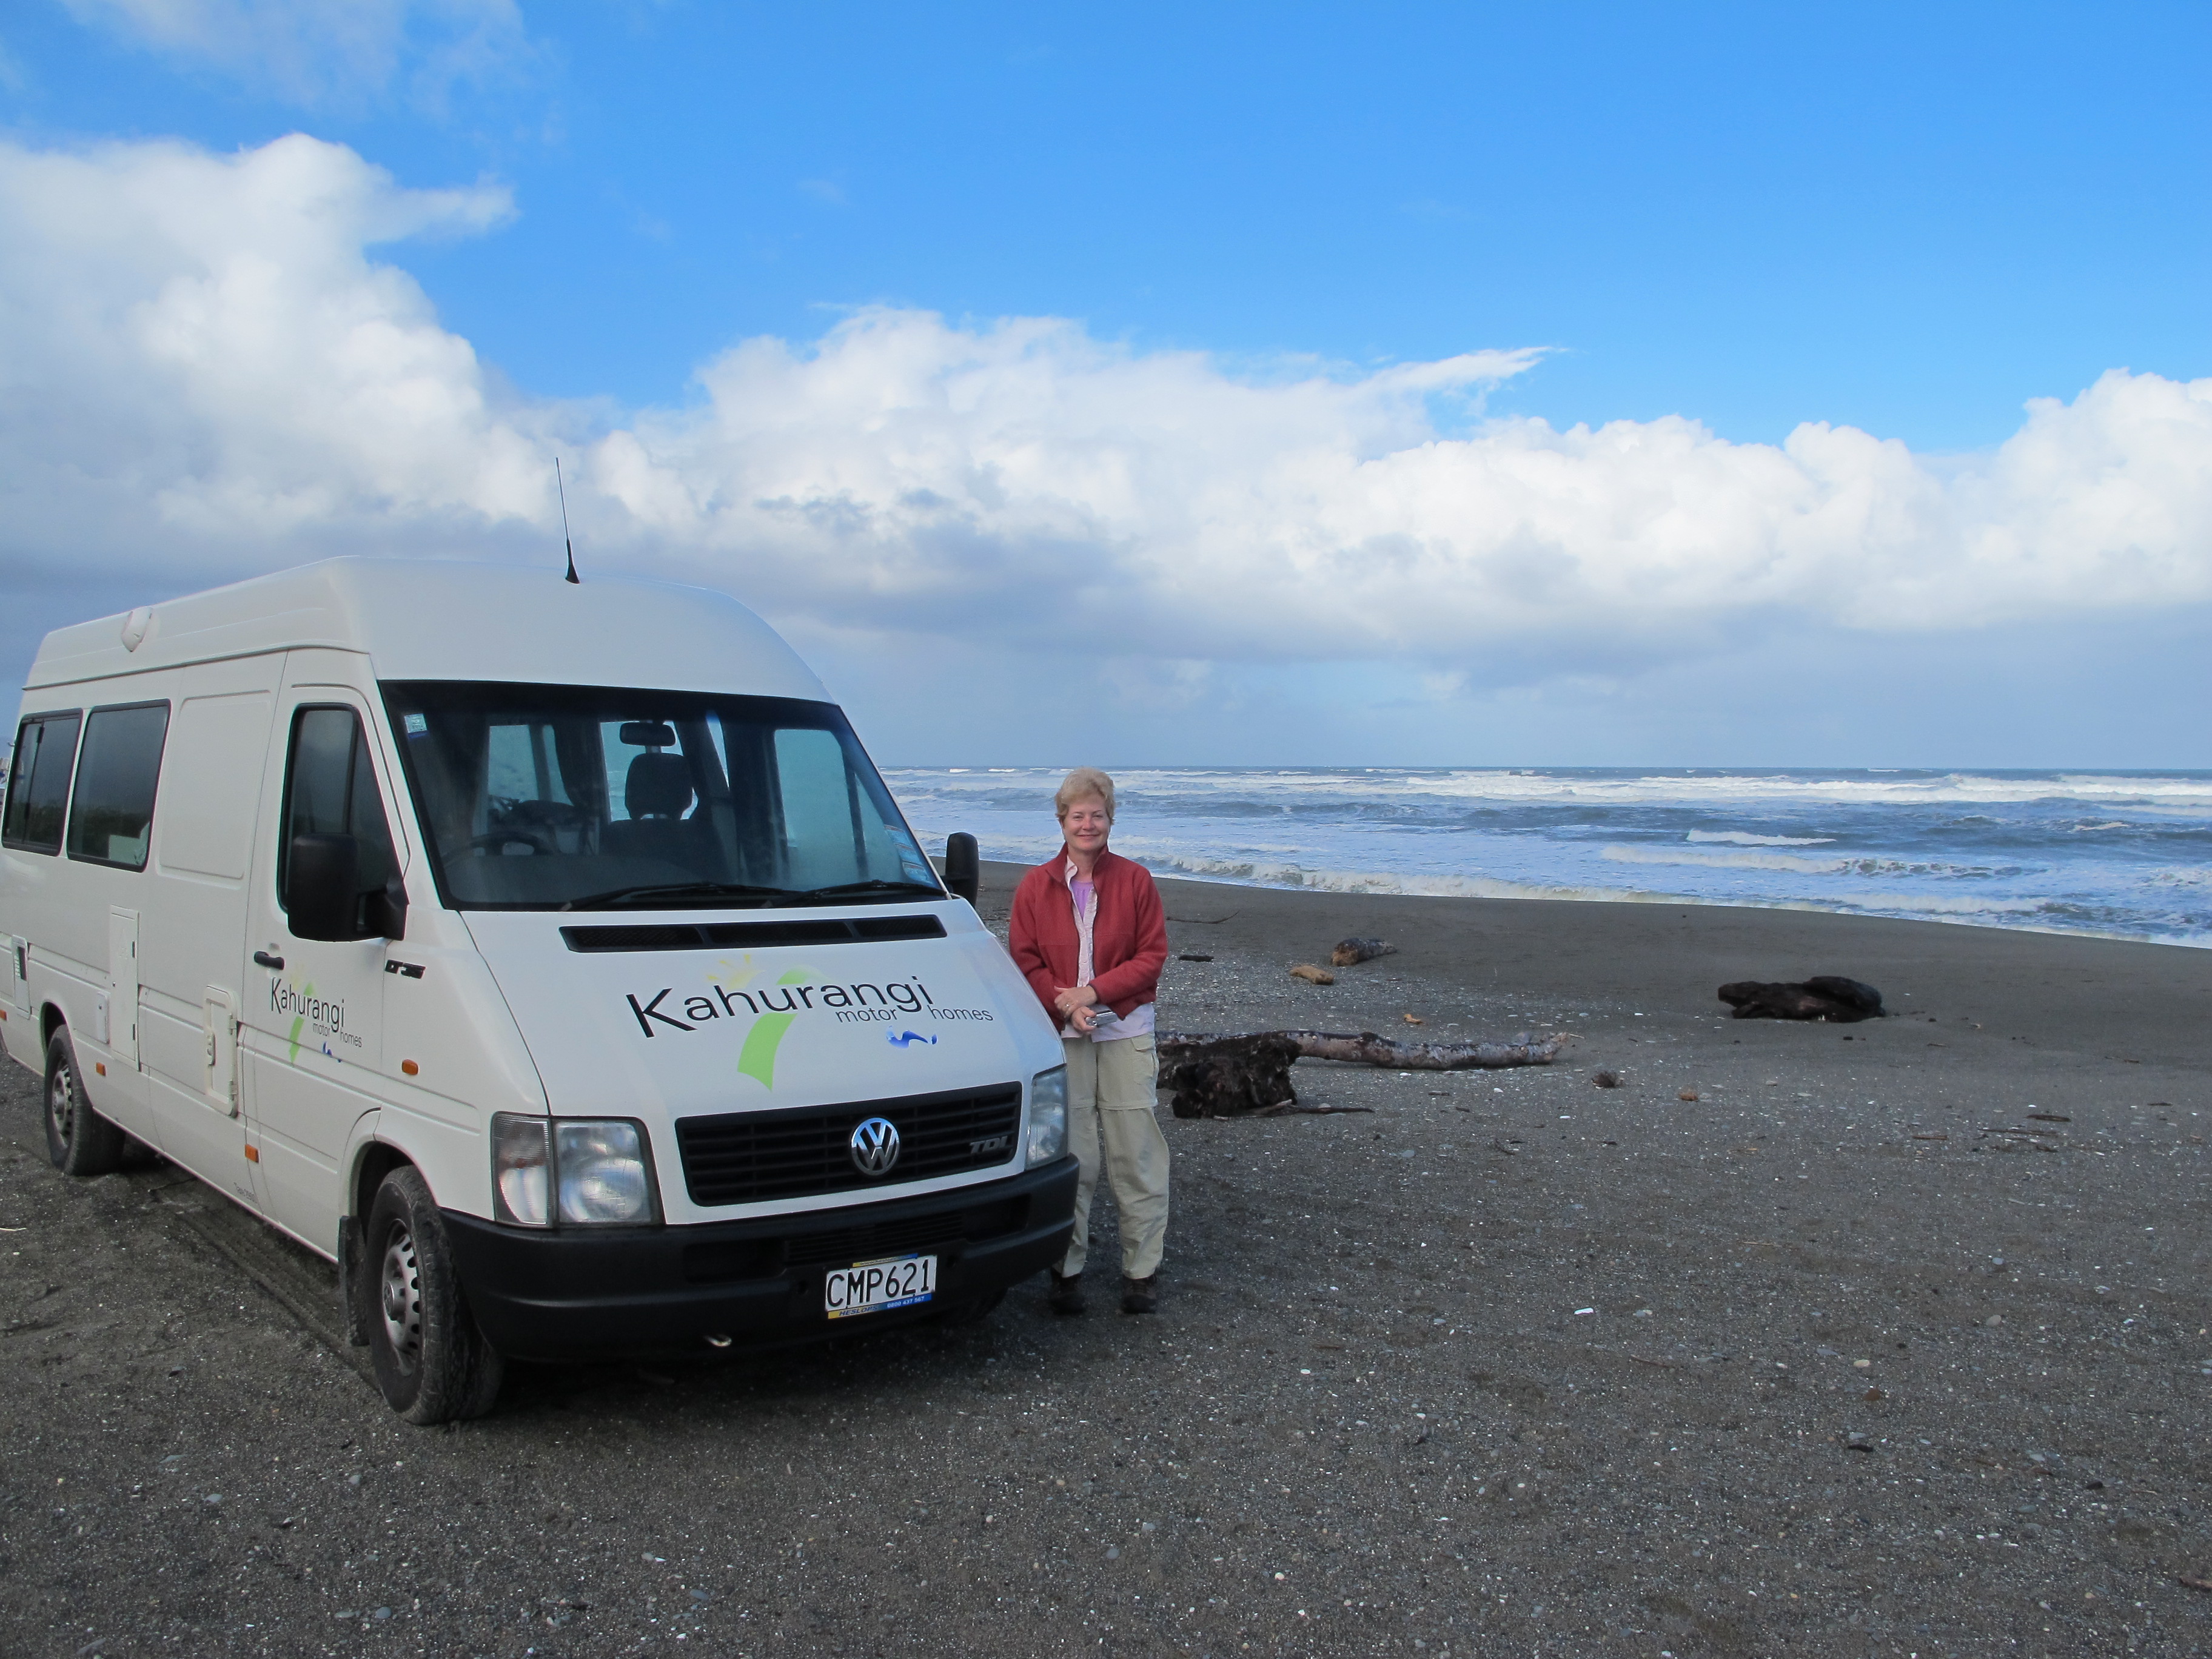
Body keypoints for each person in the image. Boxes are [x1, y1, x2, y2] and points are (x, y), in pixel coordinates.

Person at [1009, 767, 1171, 1315]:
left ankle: (1141, 1272)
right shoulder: (1035, 886)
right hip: (1062, 1036)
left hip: (1125, 1032)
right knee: (1075, 1155)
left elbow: (1151, 959)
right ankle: (1066, 1270)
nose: (1088, 824)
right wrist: (1066, 1004)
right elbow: (1024, 960)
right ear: (1061, 821)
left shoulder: (1136, 880)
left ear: (1110, 820)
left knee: (1135, 1153)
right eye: (1077, 815)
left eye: (1097, 815)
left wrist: (1094, 995)